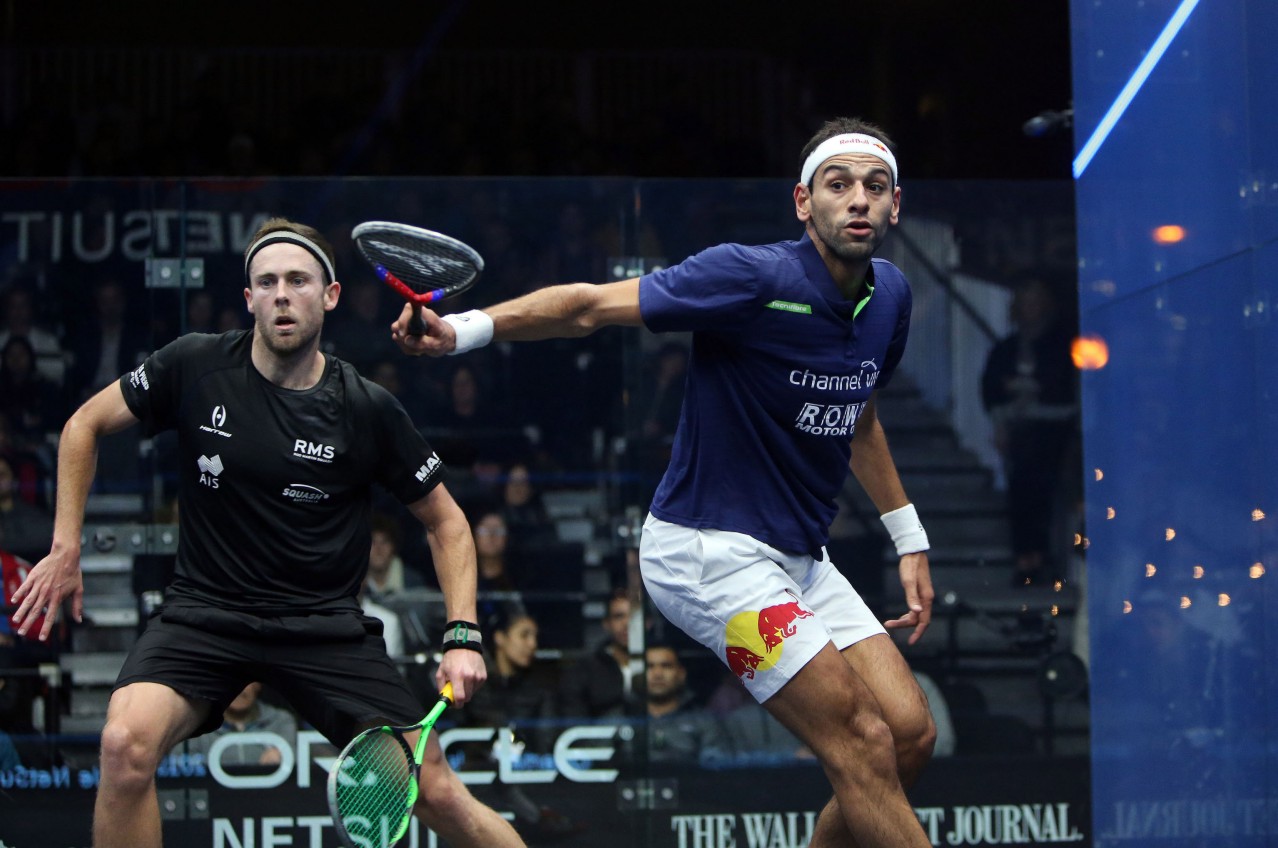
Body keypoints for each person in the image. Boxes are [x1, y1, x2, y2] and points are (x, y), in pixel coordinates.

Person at [394, 117, 938, 848]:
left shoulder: (892, 296)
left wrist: (908, 535)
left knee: (907, 735)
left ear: (895, 205)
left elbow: (859, 412)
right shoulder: (750, 277)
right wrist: (461, 331)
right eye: (838, 185)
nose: (858, 200)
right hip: (707, 557)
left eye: (874, 186)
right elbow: (587, 306)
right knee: (860, 740)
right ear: (803, 202)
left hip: (801, 558)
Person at [11, 217, 525, 848]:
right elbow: (82, 425)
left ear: (330, 296)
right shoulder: (195, 364)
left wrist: (463, 634)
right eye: (268, 282)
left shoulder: (365, 407)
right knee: (124, 745)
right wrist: (66, 547)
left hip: (323, 628)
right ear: (249, 297)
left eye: (298, 281)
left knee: (435, 789)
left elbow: (447, 522)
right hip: (205, 616)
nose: (282, 295)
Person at [980, 276, 1079, 586]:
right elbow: (991, 388)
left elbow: (1065, 387)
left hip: (1054, 432)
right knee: (1021, 494)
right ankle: (1026, 558)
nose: (1029, 309)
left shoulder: (1062, 347)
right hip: (1019, 433)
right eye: (1025, 303)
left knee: (1048, 495)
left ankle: (1047, 559)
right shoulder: (1007, 349)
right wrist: (1002, 419)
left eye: (1035, 302)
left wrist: (1036, 387)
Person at [557, 588, 640, 719]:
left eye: (633, 616)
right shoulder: (584, 670)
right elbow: (574, 721)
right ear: (606, 623)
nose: (626, 623)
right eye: (619, 616)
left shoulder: (661, 664)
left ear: (648, 622)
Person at [183, 682, 298, 767]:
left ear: (258, 685)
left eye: (246, 680)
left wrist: (284, 756)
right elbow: (182, 767)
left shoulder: (281, 720)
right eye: (232, 679)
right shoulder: (197, 722)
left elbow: (300, 763)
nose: (239, 690)